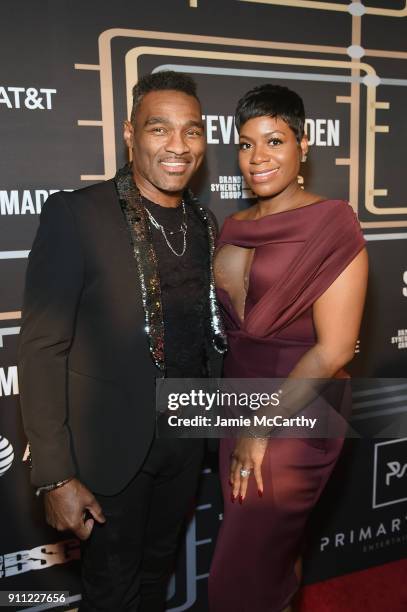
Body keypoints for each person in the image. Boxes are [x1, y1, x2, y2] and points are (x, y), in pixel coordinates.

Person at [18, 70, 226, 612]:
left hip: (185, 442)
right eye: (160, 129)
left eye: (193, 131)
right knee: (112, 592)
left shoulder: (205, 222)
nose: (178, 146)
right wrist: (55, 476)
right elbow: (42, 349)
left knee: (156, 578)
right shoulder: (77, 215)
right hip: (108, 454)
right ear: (131, 134)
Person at [209, 84, 368, 612]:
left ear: (304, 145)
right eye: (246, 143)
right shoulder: (234, 225)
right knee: (268, 556)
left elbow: (336, 349)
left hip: (297, 409)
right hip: (238, 401)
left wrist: (261, 425)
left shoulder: (331, 222)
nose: (258, 158)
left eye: (274, 141)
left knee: (236, 576)